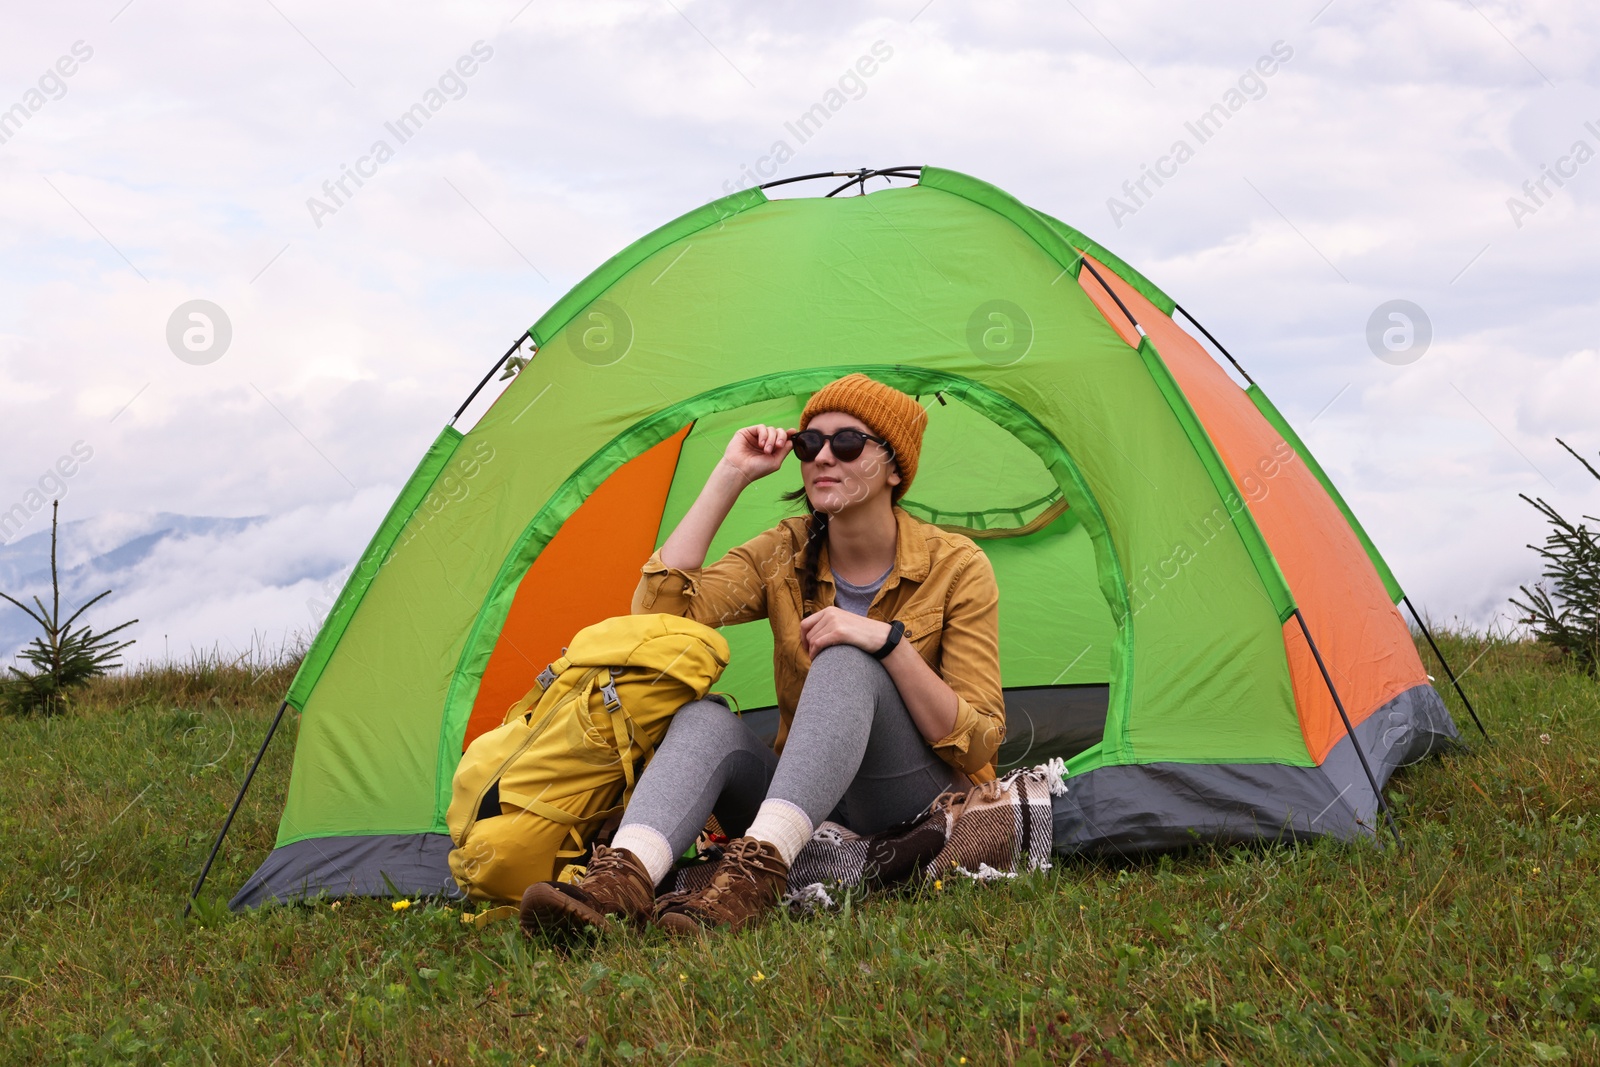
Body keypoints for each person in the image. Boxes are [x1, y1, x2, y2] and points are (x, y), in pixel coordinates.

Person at [519, 373, 1004, 935]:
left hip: (906, 796)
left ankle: (752, 881)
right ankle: (618, 885)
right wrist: (730, 476)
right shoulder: (786, 551)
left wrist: (888, 644)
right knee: (703, 718)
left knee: (847, 659)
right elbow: (658, 619)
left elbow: (980, 742)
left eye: (847, 443)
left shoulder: (958, 566)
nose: (823, 456)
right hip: (802, 803)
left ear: (894, 467)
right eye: (808, 443)